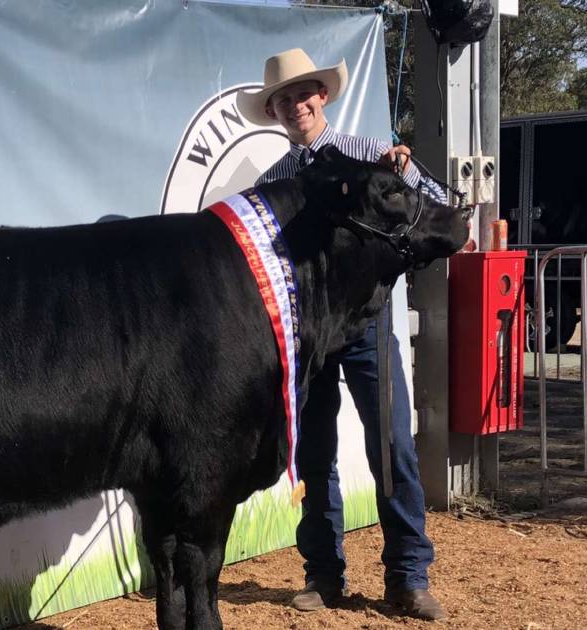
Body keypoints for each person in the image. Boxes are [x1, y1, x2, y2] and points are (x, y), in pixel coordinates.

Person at [236, 48, 450, 621]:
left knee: (392, 446)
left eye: (301, 94)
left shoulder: (372, 154)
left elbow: (435, 213)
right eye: (282, 99)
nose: (294, 105)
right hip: (308, 333)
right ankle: (323, 575)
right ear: (275, 111)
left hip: (368, 324)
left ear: (321, 96)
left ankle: (408, 576)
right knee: (314, 452)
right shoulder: (272, 183)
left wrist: (402, 173)